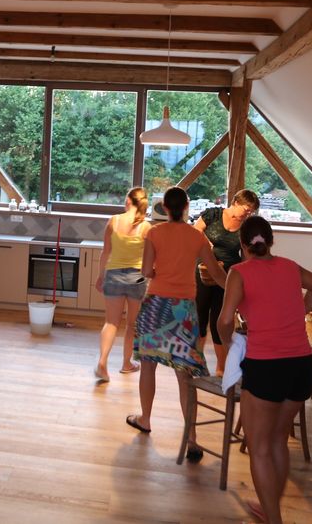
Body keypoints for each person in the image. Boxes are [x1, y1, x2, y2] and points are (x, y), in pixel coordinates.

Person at [216, 216, 312, 524]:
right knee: (279, 439)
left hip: (266, 366)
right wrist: (295, 312)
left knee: (260, 448)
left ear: (243, 245)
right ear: (271, 241)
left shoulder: (239, 272)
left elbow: (225, 320)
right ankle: (269, 509)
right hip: (301, 365)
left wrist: (230, 344)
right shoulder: (290, 267)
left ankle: (273, 518)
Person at [126, 187, 226, 464]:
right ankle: (192, 438)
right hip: (183, 311)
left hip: (156, 305)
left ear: (165, 208)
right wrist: (237, 289)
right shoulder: (197, 236)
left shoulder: (154, 233)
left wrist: (160, 272)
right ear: (186, 207)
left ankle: (145, 419)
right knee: (185, 375)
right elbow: (216, 273)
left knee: (148, 366)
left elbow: (146, 271)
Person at [193, 189, 260, 375]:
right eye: (247, 209)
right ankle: (197, 364)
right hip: (203, 272)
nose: (248, 213)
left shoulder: (246, 228)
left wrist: (246, 280)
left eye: (251, 211)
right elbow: (195, 231)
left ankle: (221, 368)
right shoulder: (213, 214)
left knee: (220, 321)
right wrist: (206, 244)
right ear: (236, 202)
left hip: (228, 278)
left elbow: (245, 257)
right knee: (199, 317)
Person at [93, 187, 152, 382]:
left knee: (111, 322)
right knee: (131, 324)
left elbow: (105, 253)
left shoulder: (113, 221)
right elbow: (150, 258)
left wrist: (100, 276)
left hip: (114, 276)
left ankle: (102, 362)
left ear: (128, 201)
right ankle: (126, 364)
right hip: (137, 279)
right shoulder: (146, 227)